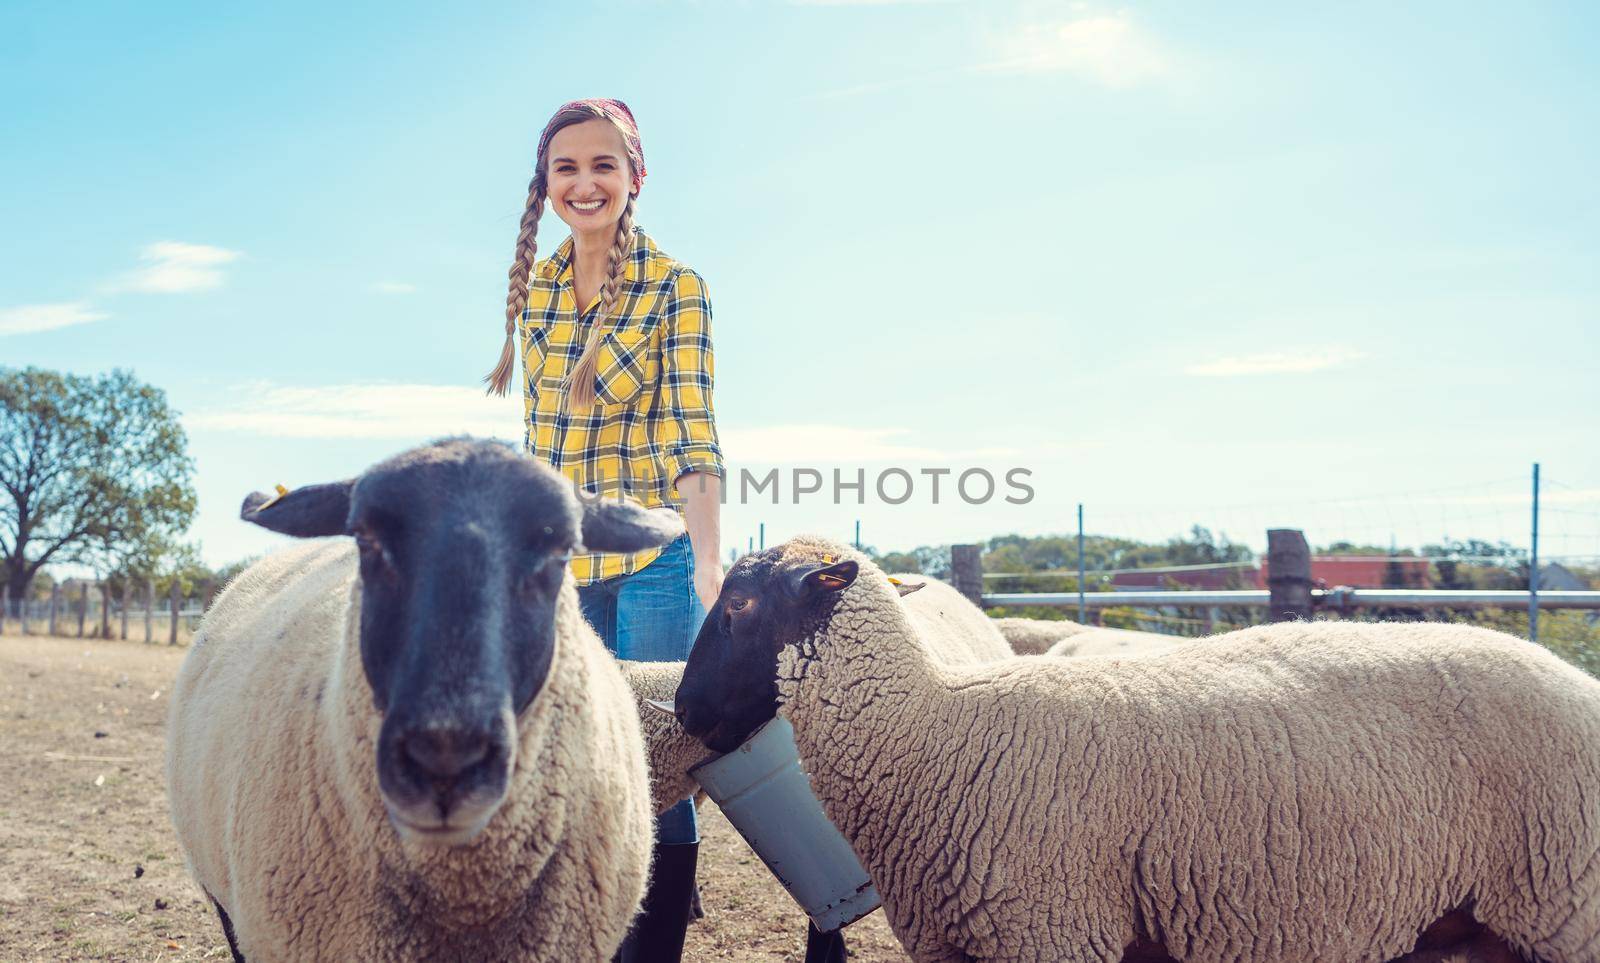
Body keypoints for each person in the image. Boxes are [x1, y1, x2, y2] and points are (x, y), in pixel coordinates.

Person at [485, 98, 723, 963]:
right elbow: (537, 443)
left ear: (636, 178)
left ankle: (653, 949)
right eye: (566, 169)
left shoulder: (677, 289)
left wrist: (706, 564)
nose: (584, 184)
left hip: (655, 562)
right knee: (570, 753)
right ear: (546, 186)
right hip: (564, 569)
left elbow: (695, 434)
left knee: (658, 763)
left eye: (603, 166)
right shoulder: (539, 289)